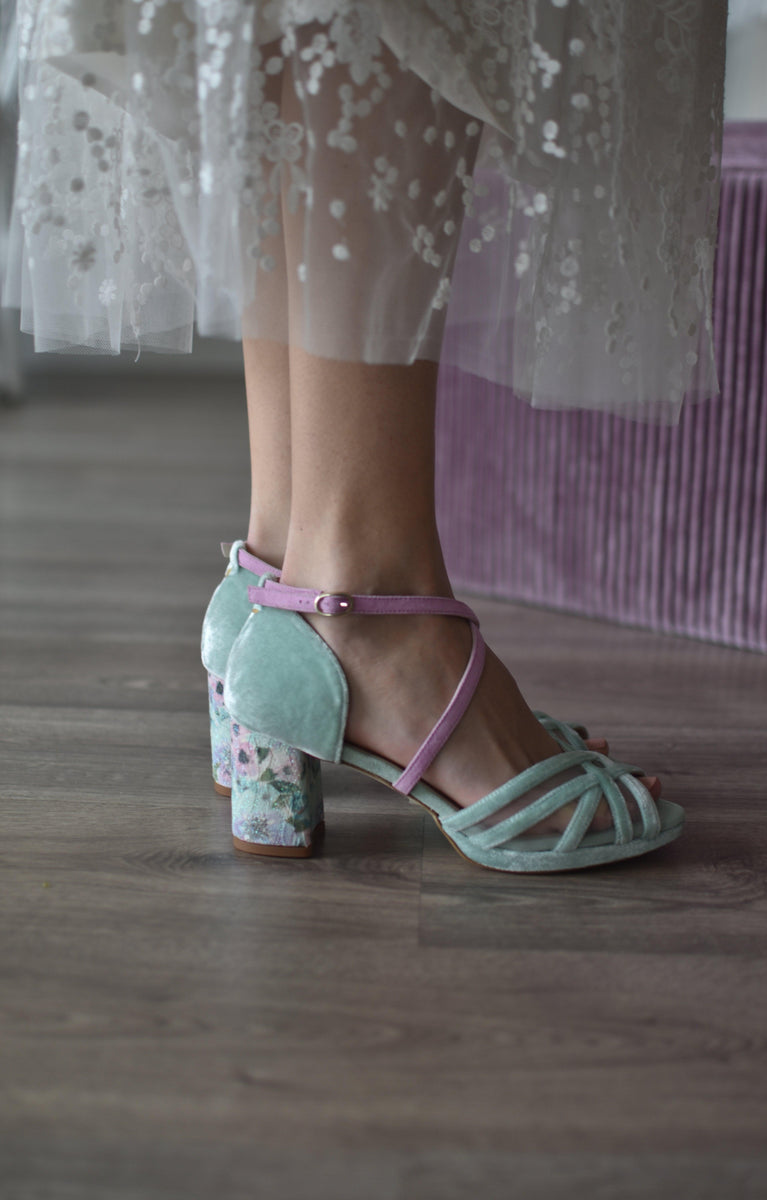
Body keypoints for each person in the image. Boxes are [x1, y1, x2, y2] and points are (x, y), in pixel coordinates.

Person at [0, 3, 728, 871]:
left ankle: (281, 573)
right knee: (405, 18)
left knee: (280, 24)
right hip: (356, 624)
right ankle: (365, 608)